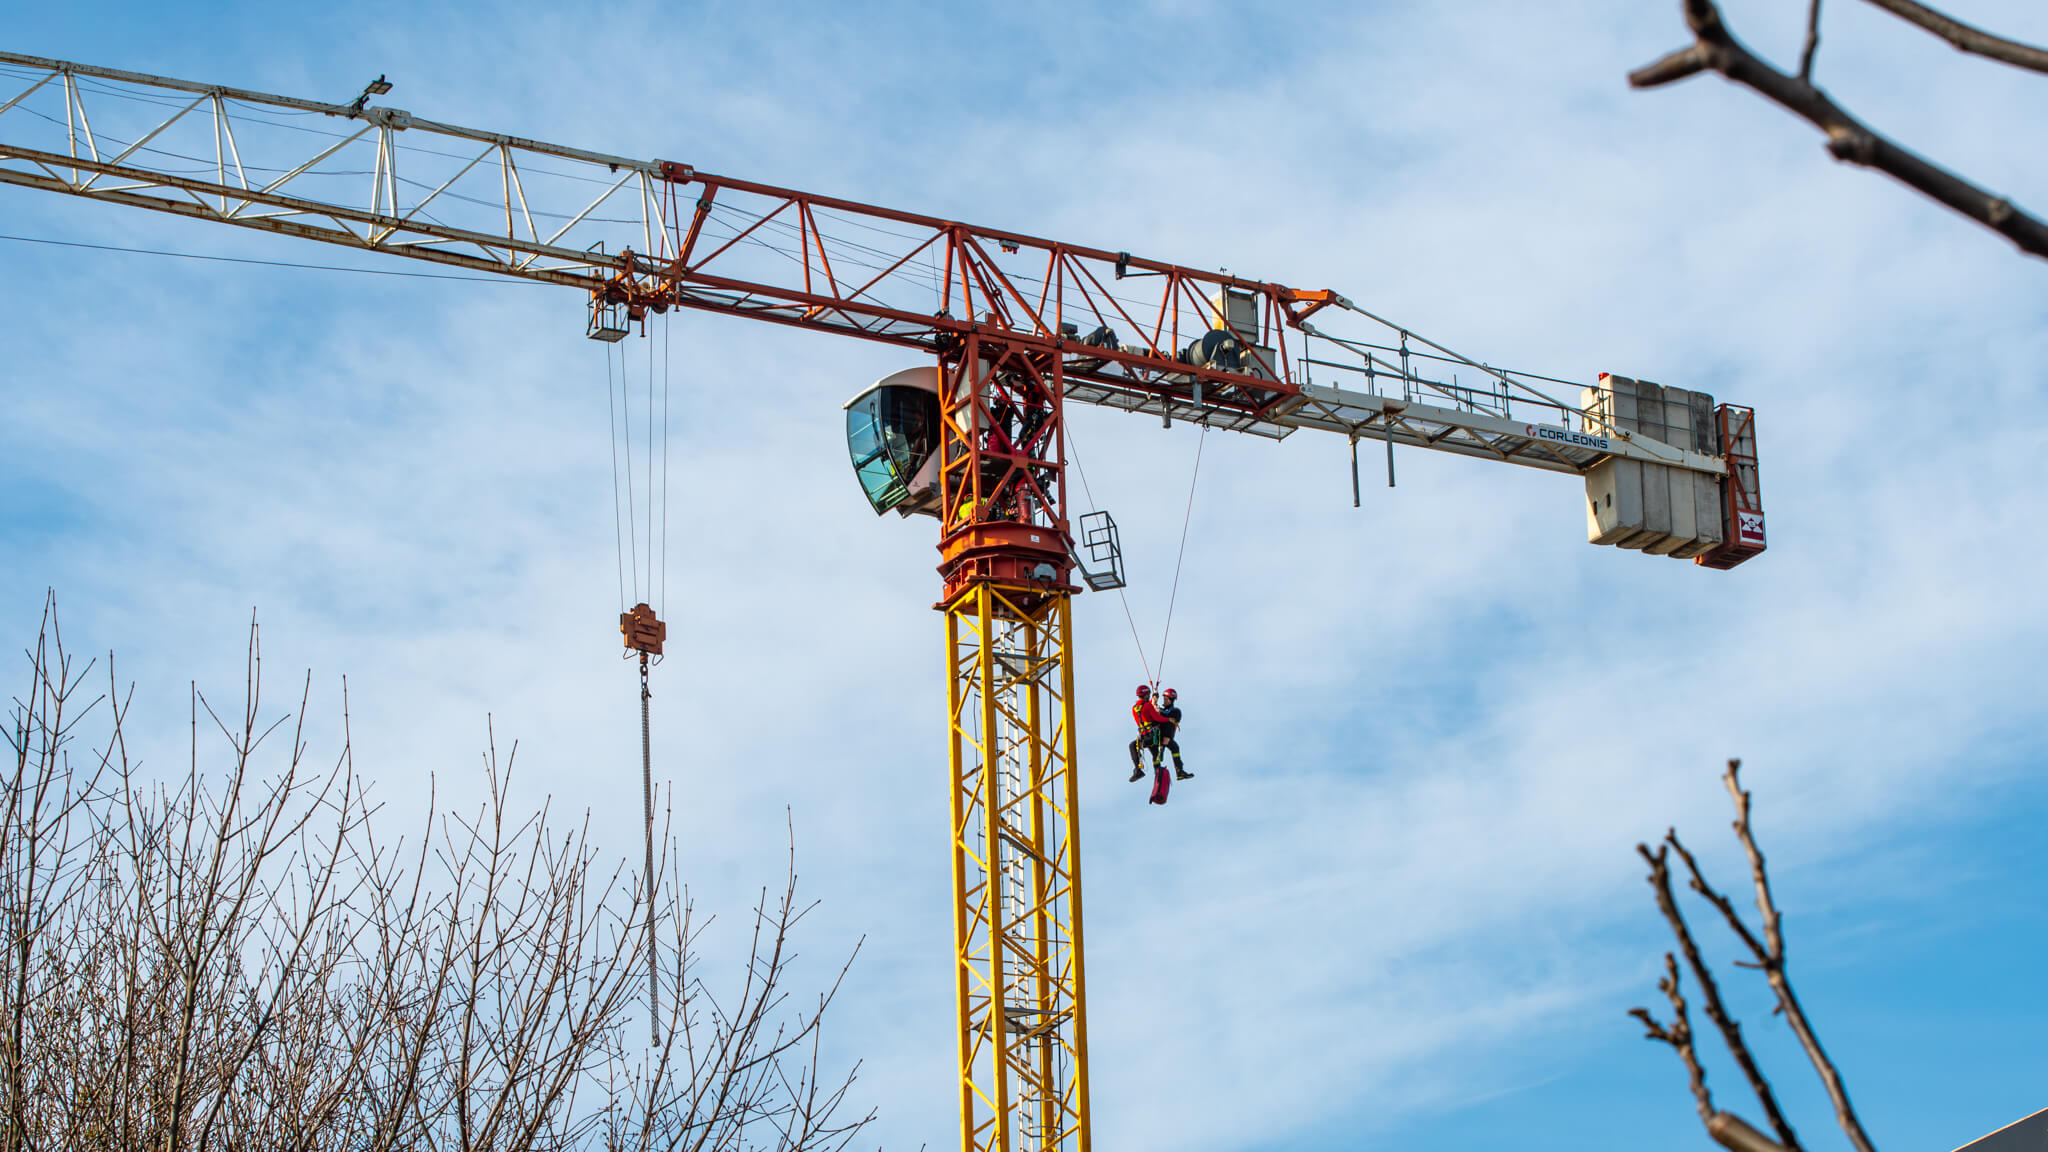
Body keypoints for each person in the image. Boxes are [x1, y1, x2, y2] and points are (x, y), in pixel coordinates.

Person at [1128, 685, 1168, 782]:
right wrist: (1168, 719)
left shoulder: (1135, 708)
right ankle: (1157, 772)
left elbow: (1145, 709)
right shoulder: (1148, 706)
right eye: (1149, 695)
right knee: (1155, 753)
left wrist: (1153, 699)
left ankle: (1138, 770)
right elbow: (1157, 718)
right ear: (1146, 695)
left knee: (1132, 745)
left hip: (1144, 738)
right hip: (1153, 736)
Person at [1155, 688, 1190, 780]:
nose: (1164, 701)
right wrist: (1154, 702)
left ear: (1171, 700)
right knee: (1173, 747)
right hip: (1157, 736)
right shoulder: (1160, 710)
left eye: (1166, 699)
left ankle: (1179, 771)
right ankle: (1158, 769)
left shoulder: (1176, 711)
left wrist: (1158, 710)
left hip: (1167, 736)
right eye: (1164, 699)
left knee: (1175, 747)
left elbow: (1168, 715)